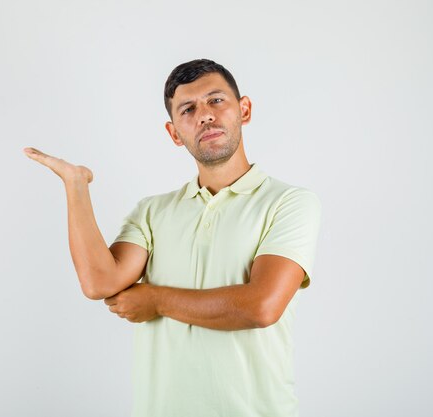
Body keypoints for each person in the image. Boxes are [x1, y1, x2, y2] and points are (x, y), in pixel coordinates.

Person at [23, 58, 322, 417]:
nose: (205, 115)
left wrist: (156, 300)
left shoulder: (289, 202)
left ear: (244, 110)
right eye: (188, 109)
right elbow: (99, 281)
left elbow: (262, 306)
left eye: (216, 101)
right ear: (174, 133)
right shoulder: (152, 212)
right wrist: (75, 185)